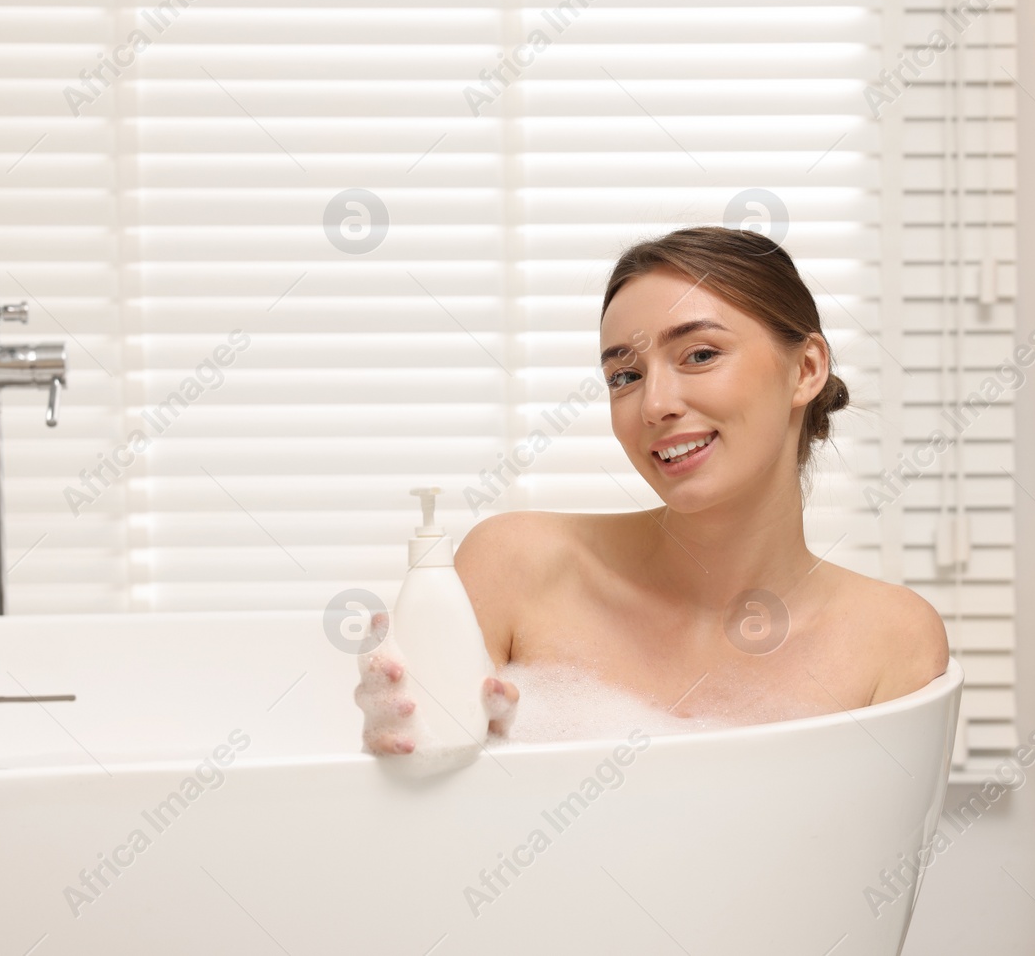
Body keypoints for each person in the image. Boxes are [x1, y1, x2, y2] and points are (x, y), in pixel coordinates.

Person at [356, 226, 948, 755]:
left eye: (699, 354)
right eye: (625, 376)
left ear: (807, 369)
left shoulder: (890, 639)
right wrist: (407, 745)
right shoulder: (519, 565)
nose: (655, 405)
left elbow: (861, 865)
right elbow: (421, 830)